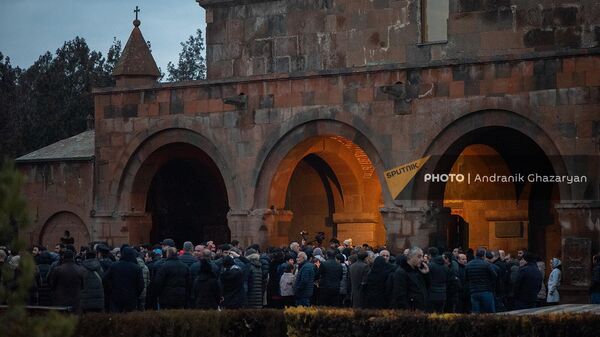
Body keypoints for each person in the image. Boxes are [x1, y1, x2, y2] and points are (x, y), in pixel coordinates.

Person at [103, 246, 144, 312]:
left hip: (116, 297)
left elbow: (105, 279)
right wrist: (135, 294)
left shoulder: (114, 266)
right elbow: (141, 285)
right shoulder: (136, 268)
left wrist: (110, 290)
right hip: (131, 298)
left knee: (116, 318)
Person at [391, 247, 430, 311]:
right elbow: (400, 296)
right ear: (410, 257)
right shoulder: (401, 272)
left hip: (421, 309)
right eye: (419, 257)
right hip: (411, 312)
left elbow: (427, 287)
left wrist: (426, 274)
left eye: (422, 256)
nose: (422, 259)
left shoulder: (419, 270)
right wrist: (409, 312)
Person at [465, 248, 497, 313]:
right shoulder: (486, 264)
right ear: (484, 255)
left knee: (476, 314)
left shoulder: (468, 265)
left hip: (474, 292)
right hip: (486, 291)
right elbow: (495, 276)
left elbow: (466, 278)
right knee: (490, 314)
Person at [426, 247, 448, 313]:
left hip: (432, 294)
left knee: (430, 316)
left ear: (429, 255)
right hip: (443, 294)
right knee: (440, 315)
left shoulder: (429, 266)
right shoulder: (445, 266)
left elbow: (427, 280)